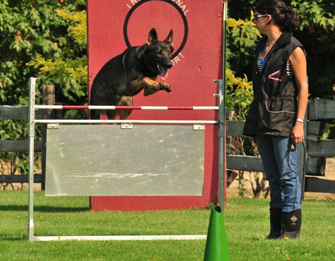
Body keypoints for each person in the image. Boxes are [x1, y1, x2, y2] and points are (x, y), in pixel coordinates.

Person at [243, 0, 308, 239]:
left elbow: (303, 88)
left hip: (284, 120)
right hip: (262, 119)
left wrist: (299, 123)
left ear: (268, 18)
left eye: (257, 16)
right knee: (273, 177)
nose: (254, 21)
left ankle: (291, 231)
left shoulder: (293, 47)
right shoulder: (262, 45)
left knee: (288, 175)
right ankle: (275, 231)